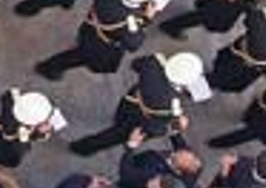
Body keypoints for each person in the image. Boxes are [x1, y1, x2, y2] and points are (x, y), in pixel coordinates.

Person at [36, 0, 165, 81]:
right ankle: (48, 67)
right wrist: (147, 18)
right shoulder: (129, 21)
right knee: (78, 57)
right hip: (100, 45)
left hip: (90, 28)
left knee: (81, 50)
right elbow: (133, 44)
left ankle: (54, 63)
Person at [66, 53, 203, 156]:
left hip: (132, 99)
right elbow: (155, 129)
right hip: (138, 119)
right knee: (111, 136)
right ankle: (82, 148)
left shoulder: (154, 61)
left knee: (119, 118)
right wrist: (175, 126)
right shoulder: (171, 106)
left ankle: (90, 141)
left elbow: (136, 64)